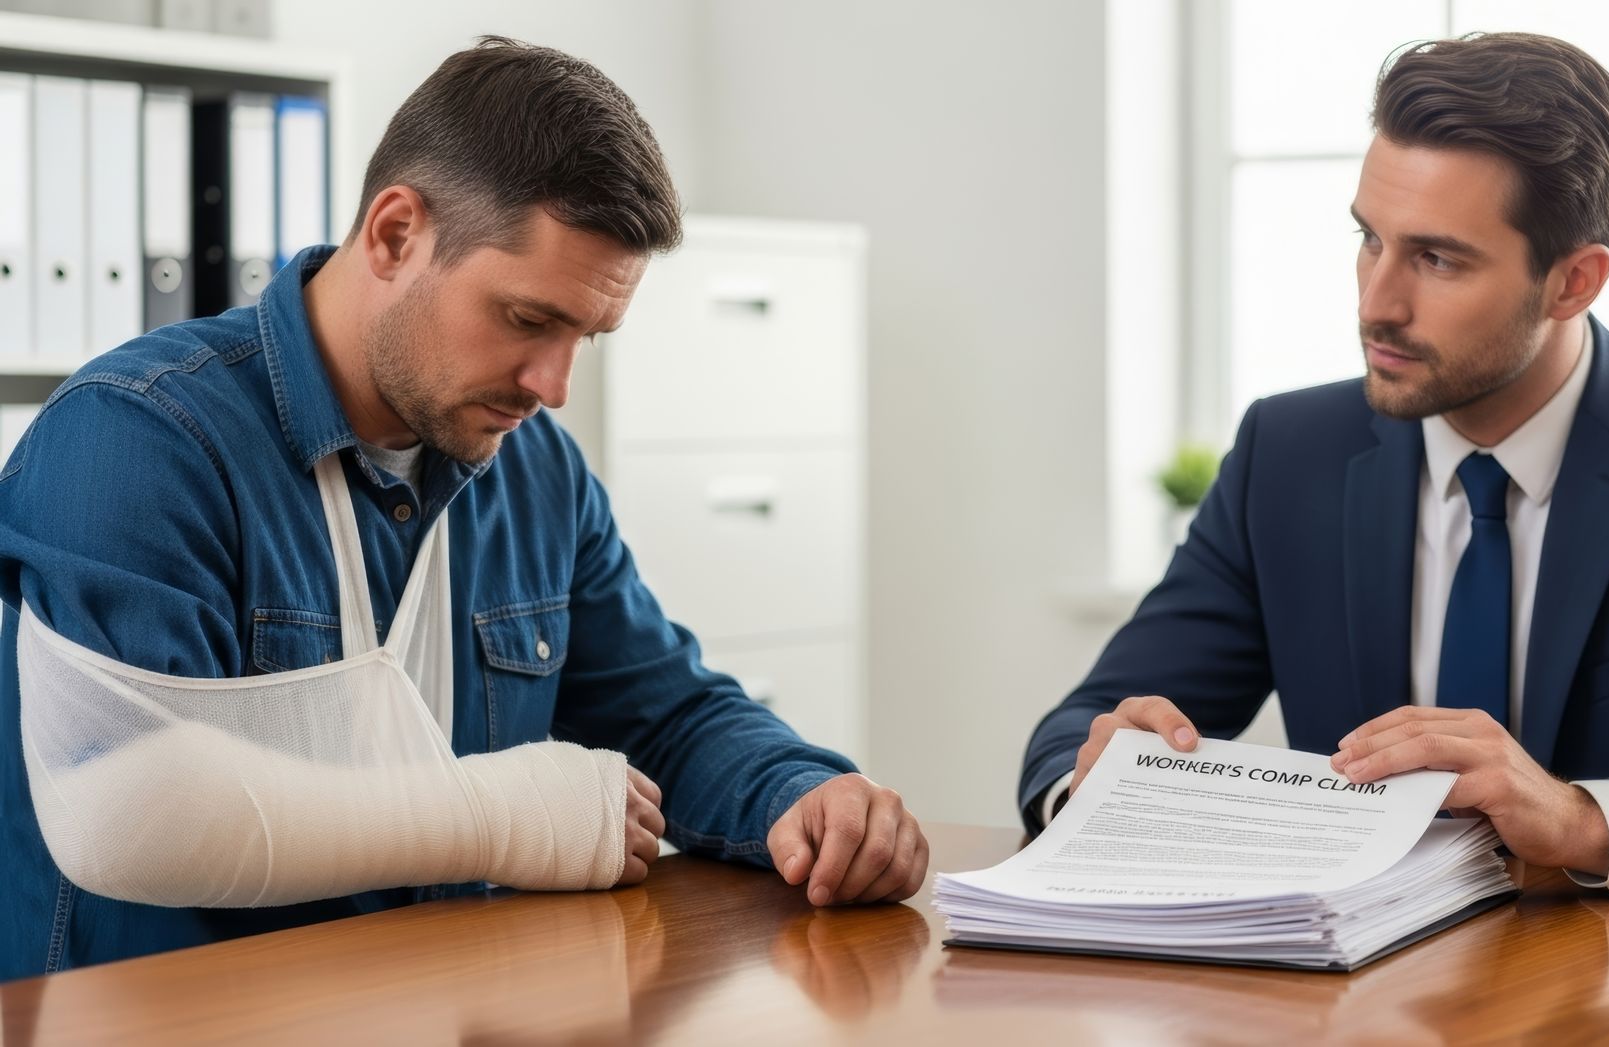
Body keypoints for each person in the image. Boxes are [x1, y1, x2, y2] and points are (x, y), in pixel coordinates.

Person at [0, 37, 925, 979]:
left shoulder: (537, 470)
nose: (553, 385)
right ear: (395, 233)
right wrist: (499, 814)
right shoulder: (137, 439)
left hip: (440, 1009)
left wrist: (806, 794)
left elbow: (665, 714)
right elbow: (126, 811)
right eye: (528, 319)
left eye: (586, 337)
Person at [1020, 32, 1609, 900]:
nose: (1377, 303)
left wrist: (1579, 818)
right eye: (1370, 238)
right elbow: (1079, 728)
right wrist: (1098, 775)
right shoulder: (1287, 452)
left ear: (1575, 280)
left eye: (1438, 259)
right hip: (1360, 987)